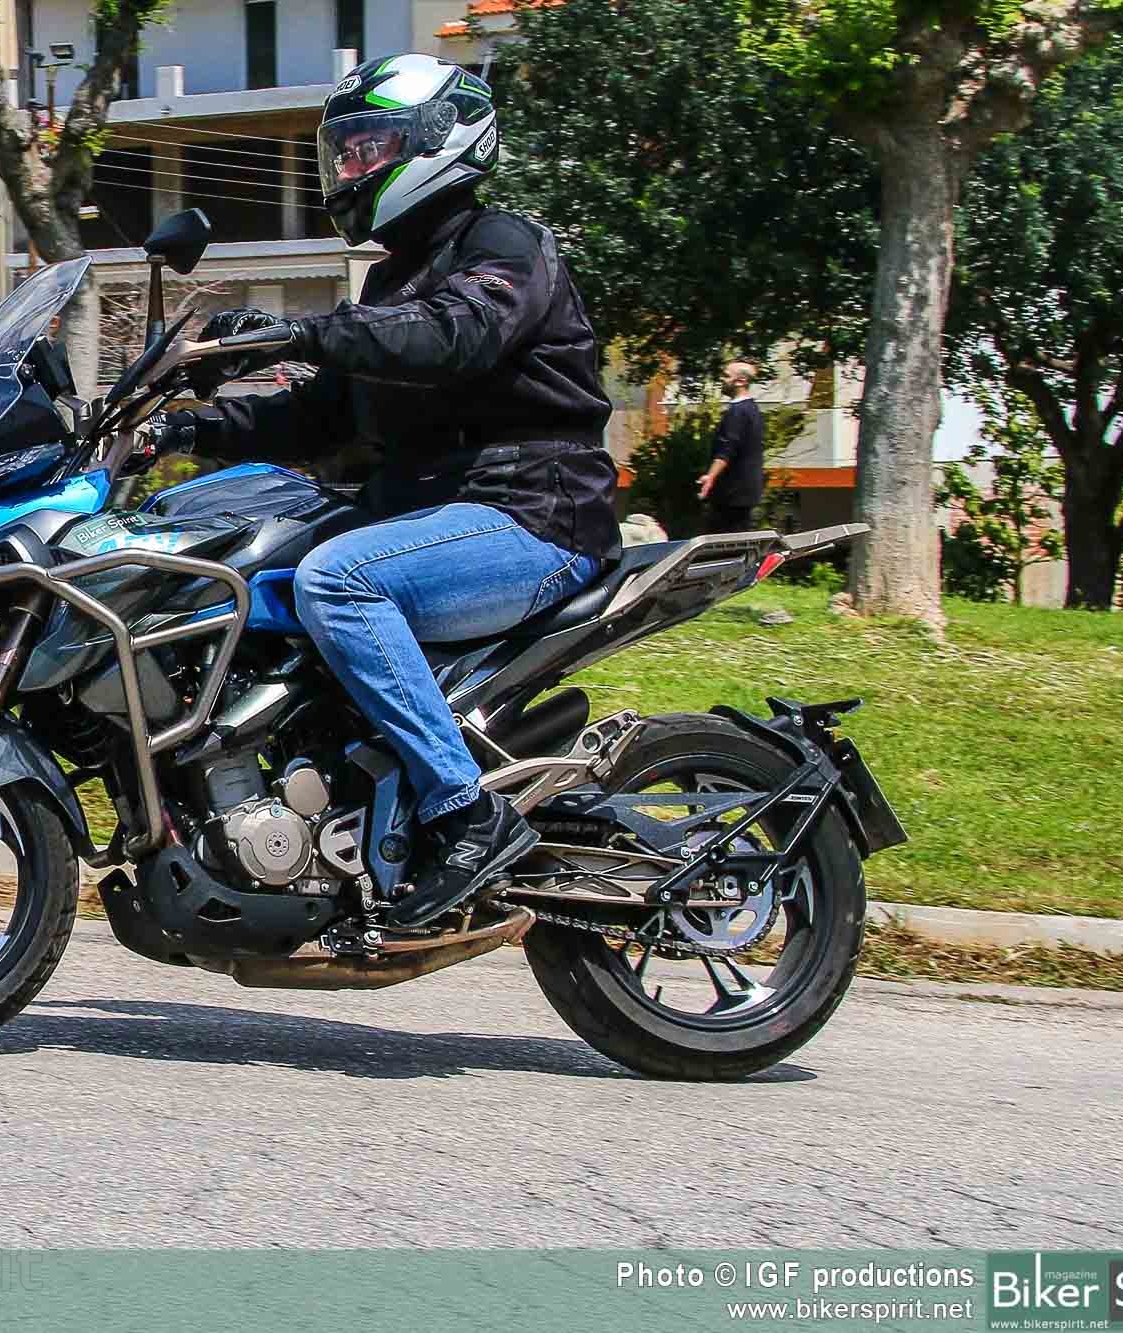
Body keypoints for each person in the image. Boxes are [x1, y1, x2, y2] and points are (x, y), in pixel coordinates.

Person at [158, 53, 619, 929]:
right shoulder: (387, 282)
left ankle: (465, 814)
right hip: (434, 515)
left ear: (440, 140)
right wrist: (188, 432)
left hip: (532, 515)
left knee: (338, 579)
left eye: (371, 148)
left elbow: (455, 333)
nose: (352, 168)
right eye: (345, 151)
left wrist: (300, 331)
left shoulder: (504, 246)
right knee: (243, 584)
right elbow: (320, 418)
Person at [696, 362, 765, 533]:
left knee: (721, 542)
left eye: (726, 376)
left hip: (731, 494)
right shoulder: (752, 409)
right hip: (745, 493)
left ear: (741, 381)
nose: (721, 379)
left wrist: (710, 476)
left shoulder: (737, 412)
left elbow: (727, 448)